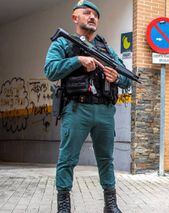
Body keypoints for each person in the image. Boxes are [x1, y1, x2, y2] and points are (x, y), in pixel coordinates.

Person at [43, 1, 130, 212]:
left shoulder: (106, 48)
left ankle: (111, 205)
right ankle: (64, 205)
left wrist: (117, 77)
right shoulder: (63, 44)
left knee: (106, 159)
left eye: (96, 15)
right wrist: (78, 60)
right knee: (67, 158)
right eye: (87, 13)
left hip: (104, 111)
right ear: (75, 18)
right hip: (77, 109)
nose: (92, 17)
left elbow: (127, 80)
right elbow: (50, 70)